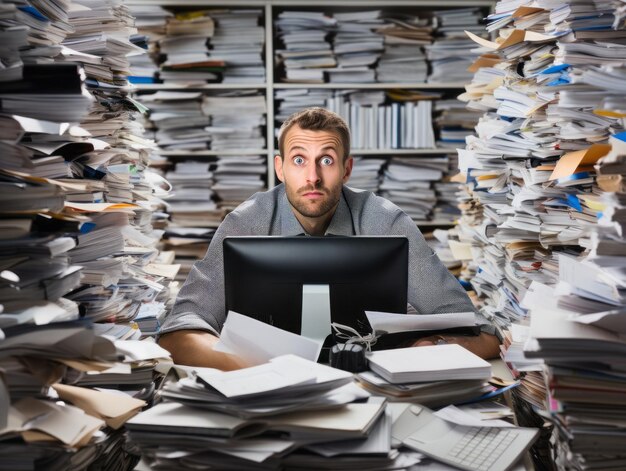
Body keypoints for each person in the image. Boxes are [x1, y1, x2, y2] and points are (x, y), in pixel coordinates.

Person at [158, 107, 500, 369]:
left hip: (373, 387)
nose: (313, 177)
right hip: (266, 388)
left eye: (326, 160)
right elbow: (178, 333)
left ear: (347, 169)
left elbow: (482, 333)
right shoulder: (245, 223)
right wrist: (252, 369)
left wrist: (428, 351)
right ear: (280, 168)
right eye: (298, 160)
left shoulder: (385, 220)